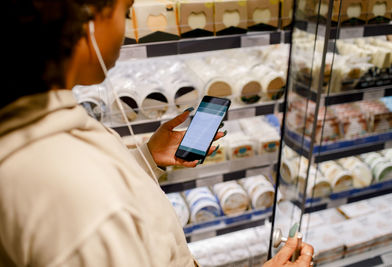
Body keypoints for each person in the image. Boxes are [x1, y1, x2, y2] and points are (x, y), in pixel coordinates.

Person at [0, 0, 314, 266]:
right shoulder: (78, 199)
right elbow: (92, 203)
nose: (124, 30)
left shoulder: (38, 129)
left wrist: (146, 160)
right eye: (124, 14)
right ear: (87, 20)